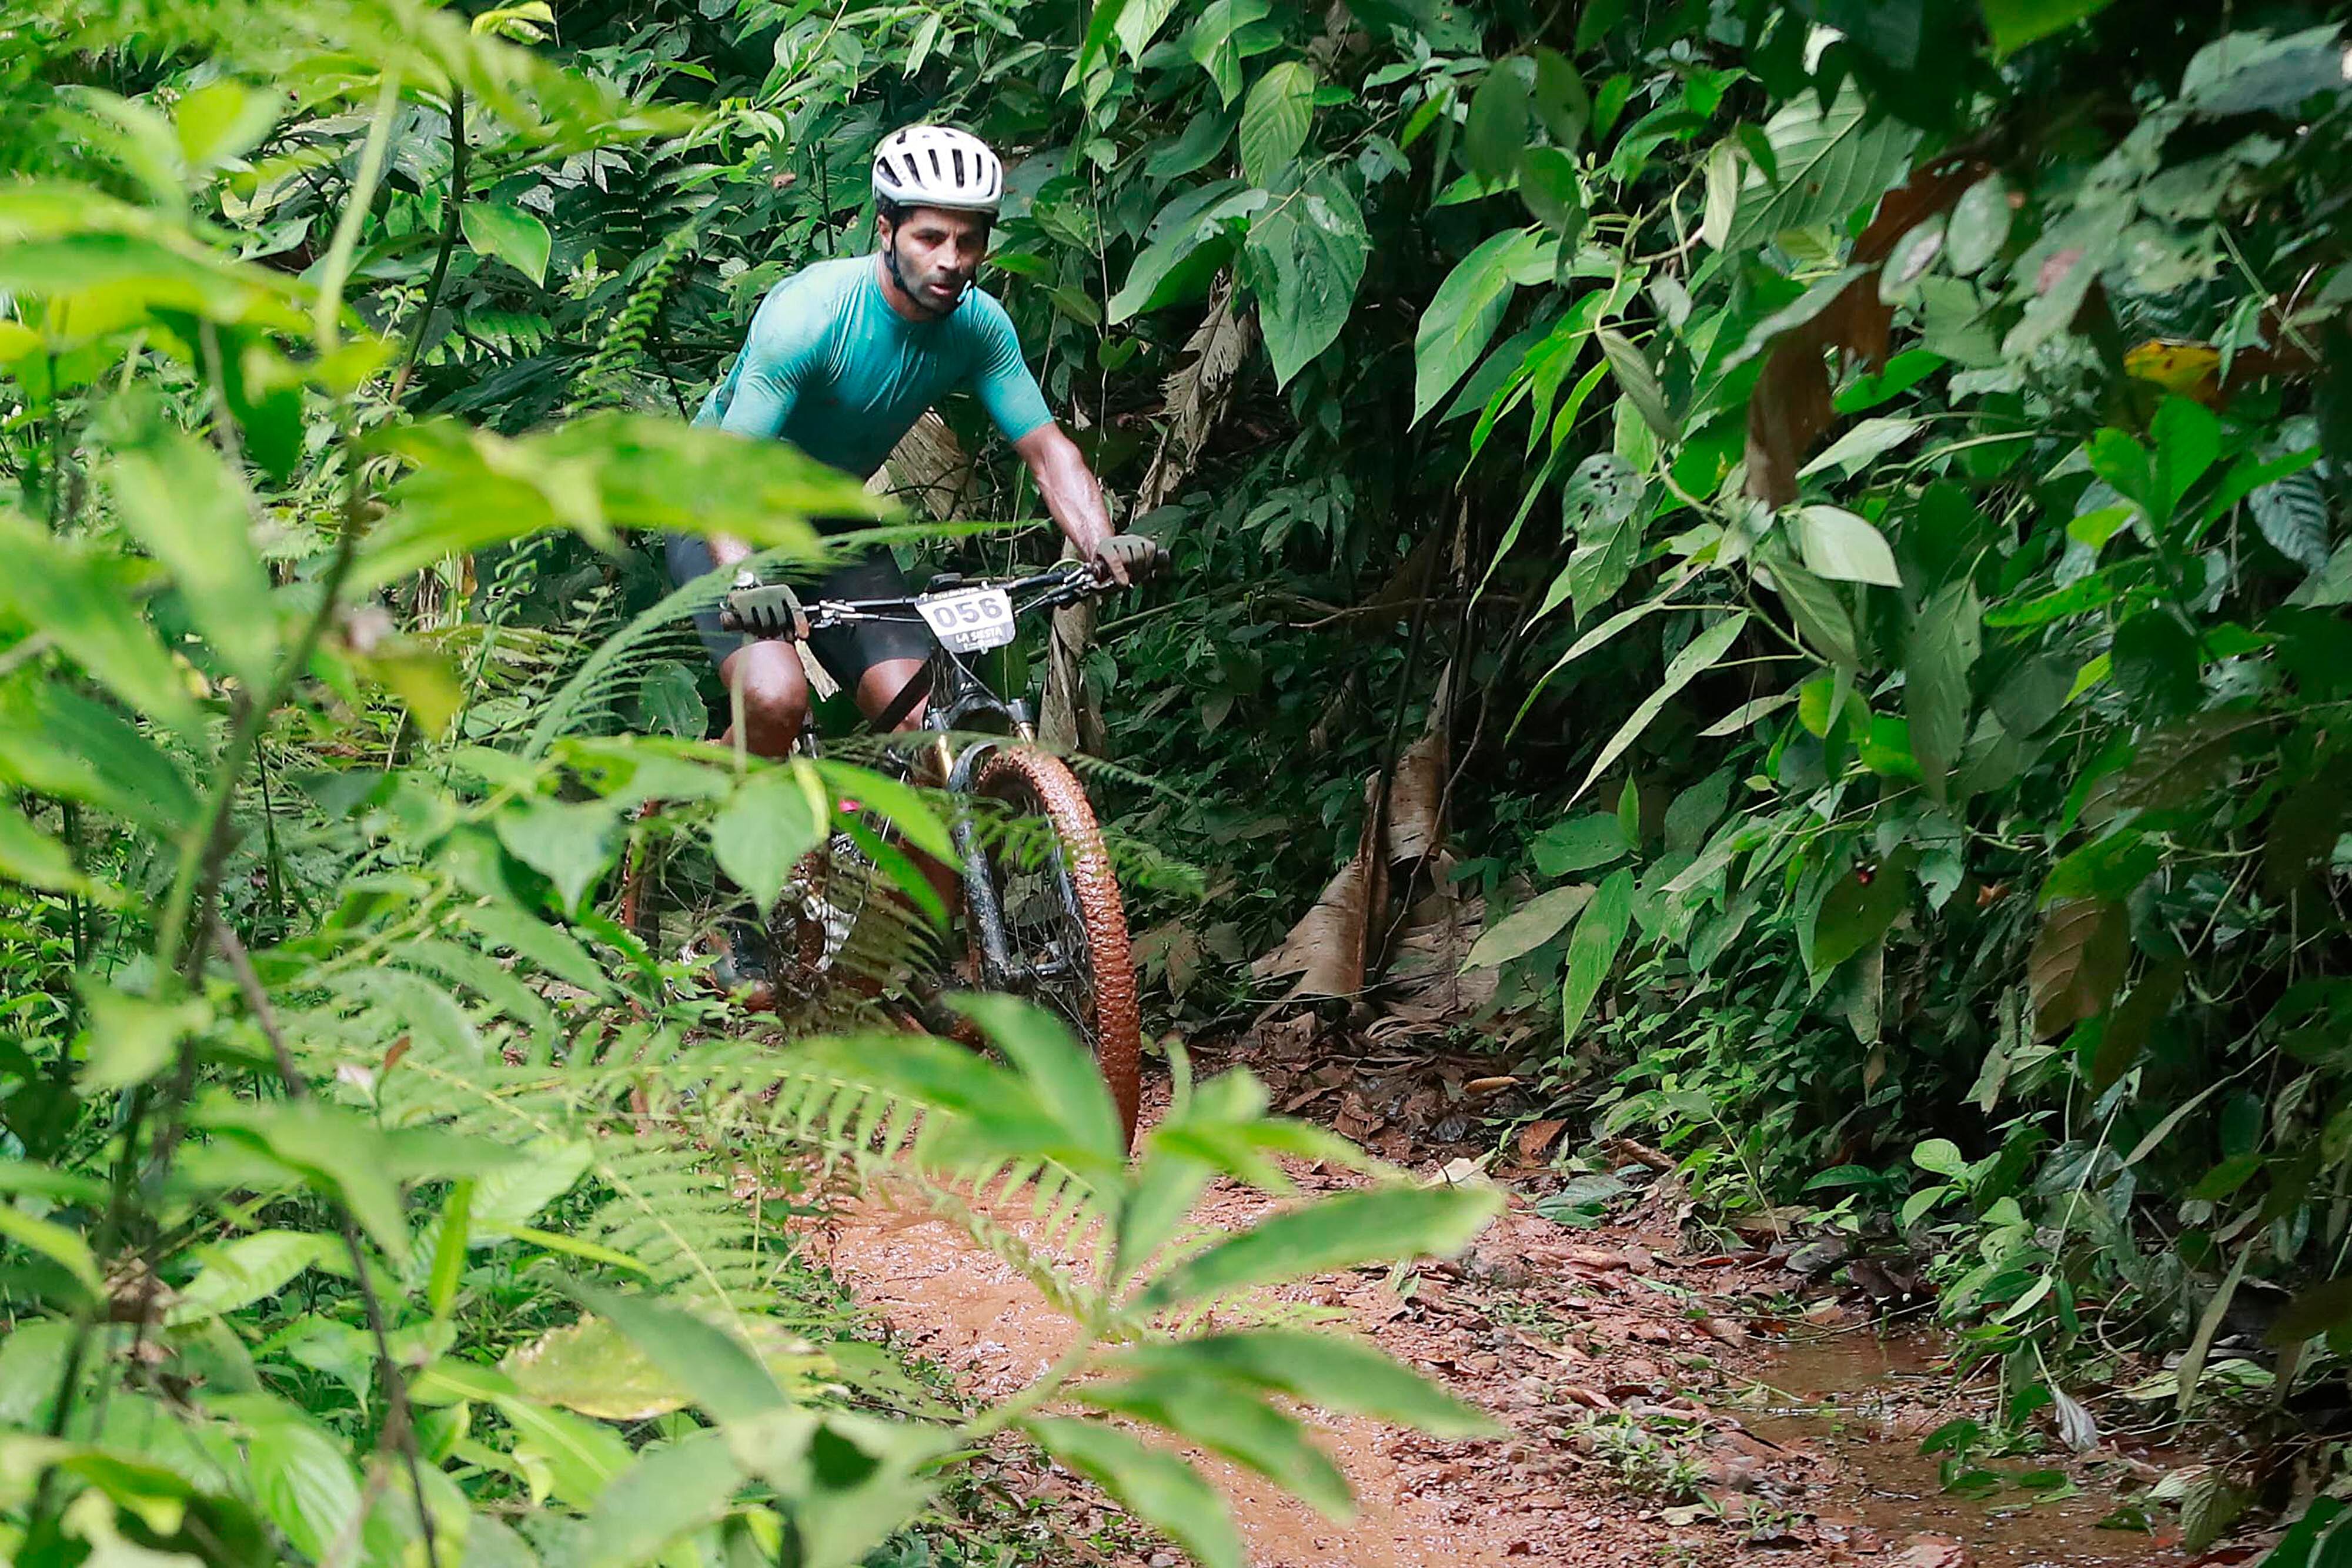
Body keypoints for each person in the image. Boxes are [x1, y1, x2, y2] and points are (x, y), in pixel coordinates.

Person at [667, 123, 1161, 759]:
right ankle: (698, 817)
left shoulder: (979, 327)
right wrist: (745, 580)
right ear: (885, 232)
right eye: (929, 237)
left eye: (968, 240)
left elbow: (1046, 451)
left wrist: (1102, 543)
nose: (951, 261)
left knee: (934, 737)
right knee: (774, 697)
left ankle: (928, 858)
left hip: (829, 523)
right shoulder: (810, 317)